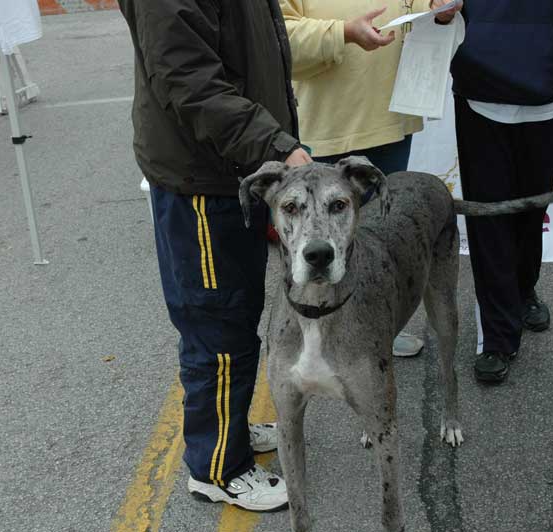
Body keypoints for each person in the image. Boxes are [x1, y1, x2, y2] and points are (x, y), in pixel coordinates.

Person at [116, 0, 312, 512]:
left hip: (232, 169)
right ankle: (218, 468)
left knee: (237, 311)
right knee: (217, 323)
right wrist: (277, 145)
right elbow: (187, 79)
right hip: (203, 180)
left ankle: (231, 427)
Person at [280, 0, 461, 357]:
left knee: (378, 246)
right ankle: (308, 339)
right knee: (313, 242)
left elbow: (424, 12)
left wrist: (439, 11)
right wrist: (343, 33)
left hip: (390, 121)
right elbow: (279, 40)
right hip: (324, 129)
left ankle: (375, 328)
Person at [432, 0, 553, 383]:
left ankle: (522, 292)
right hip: (479, 97)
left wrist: (549, 63)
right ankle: (497, 336)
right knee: (490, 218)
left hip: (548, 102)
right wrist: (448, 25)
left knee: (529, 212)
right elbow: (440, 11)